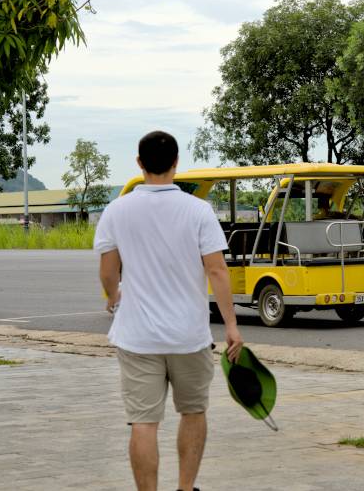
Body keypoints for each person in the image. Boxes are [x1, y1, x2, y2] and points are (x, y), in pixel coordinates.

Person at [94, 130, 244, 491]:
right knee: (193, 412)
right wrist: (232, 326)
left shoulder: (117, 210)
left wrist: (114, 296)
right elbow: (216, 270)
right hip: (188, 336)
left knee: (143, 422)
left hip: (137, 336)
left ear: (139, 163)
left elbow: (108, 270)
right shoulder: (198, 211)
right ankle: (185, 487)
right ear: (177, 163)